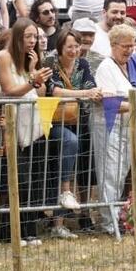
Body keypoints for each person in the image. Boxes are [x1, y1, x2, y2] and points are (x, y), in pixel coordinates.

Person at [0, 18, 69, 243]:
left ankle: (29, 230)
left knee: (34, 180)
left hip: (33, 124)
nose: (32, 41)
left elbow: (40, 91)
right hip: (13, 125)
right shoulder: (3, 57)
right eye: (28, 36)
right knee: (18, 181)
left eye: (35, 37)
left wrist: (31, 70)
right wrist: (32, 79)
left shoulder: (31, 59)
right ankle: (11, 232)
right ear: (18, 36)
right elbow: (10, 90)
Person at [92, 24, 136, 235]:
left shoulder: (134, 64)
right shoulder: (105, 67)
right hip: (109, 125)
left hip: (128, 125)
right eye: (125, 46)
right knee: (109, 173)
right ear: (113, 45)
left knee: (122, 173)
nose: (129, 50)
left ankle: (116, 217)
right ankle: (108, 222)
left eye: (132, 45)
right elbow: (109, 102)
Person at [49, 27, 102, 229]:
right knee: (67, 153)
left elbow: (91, 84)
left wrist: (89, 92)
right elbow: (54, 90)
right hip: (56, 121)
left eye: (76, 46)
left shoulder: (83, 64)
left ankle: (85, 212)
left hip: (81, 119)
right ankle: (58, 220)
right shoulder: (50, 63)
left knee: (86, 167)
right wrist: (84, 94)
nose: (74, 50)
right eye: (69, 46)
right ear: (60, 48)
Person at [88, 0, 128, 64]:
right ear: (104, 12)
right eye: (114, 12)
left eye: (122, 13)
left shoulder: (127, 34)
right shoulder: (92, 32)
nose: (119, 16)